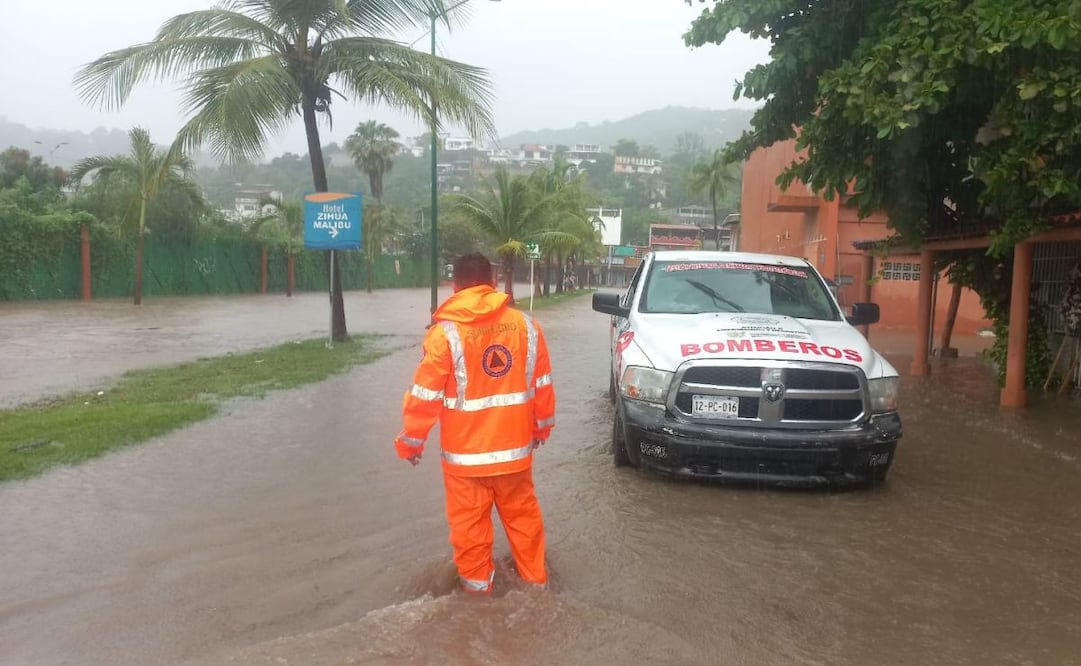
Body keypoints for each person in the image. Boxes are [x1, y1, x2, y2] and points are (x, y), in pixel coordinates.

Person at [394, 253, 556, 593]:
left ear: (454, 286)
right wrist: (540, 429)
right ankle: (537, 591)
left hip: (465, 463)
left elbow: (425, 396)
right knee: (525, 525)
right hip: (514, 456)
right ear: (493, 282)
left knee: (470, 534)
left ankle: (477, 605)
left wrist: (410, 442)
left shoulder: (444, 335)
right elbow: (542, 386)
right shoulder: (527, 327)